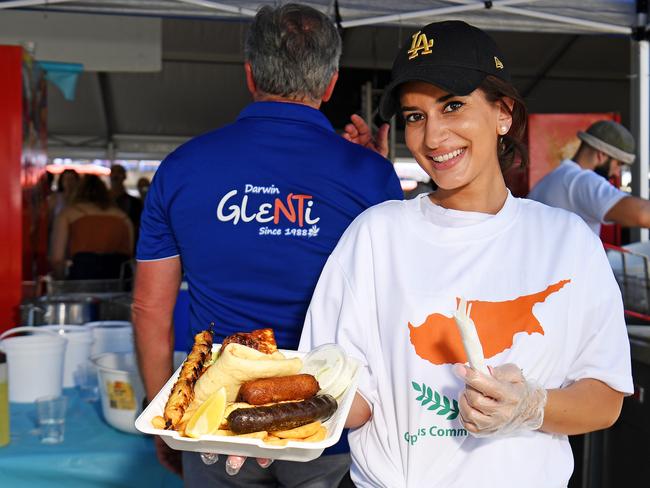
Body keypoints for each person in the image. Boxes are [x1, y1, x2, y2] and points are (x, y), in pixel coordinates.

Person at [299, 20, 633, 487]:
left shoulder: (567, 241)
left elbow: (605, 399)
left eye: (452, 106)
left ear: (503, 114)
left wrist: (531, 406)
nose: (433, 138)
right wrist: (272, 421)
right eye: (415, 116)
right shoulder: (376, 236)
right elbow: (351, 396)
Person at [132, 3, 402, 486]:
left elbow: (151, 308)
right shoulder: (370, 175)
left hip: (215, 418)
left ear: (251, 73)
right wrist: (374, 176)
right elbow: (394, 304)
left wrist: (165, 421)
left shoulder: (181, 167)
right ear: (331, 83)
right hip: (326, 418)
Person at [528, 120, 650, 235]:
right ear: (601, 155)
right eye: (618, 164)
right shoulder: (581, 181)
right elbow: (643, 214)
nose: (617, 173)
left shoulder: (555, 177)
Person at [50, 174, 133, 280]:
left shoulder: (67, 215)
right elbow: (129, 255)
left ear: (78, 191)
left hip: (80, 282)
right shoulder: (123, 218)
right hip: (117, 283)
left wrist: (61, 282)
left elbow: (57, 259)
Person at [110, 164, 143, 237]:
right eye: (113, 172)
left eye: (119, 172)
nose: (115, 175)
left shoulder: (135, 202)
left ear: (124, 176)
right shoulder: (102, 200)